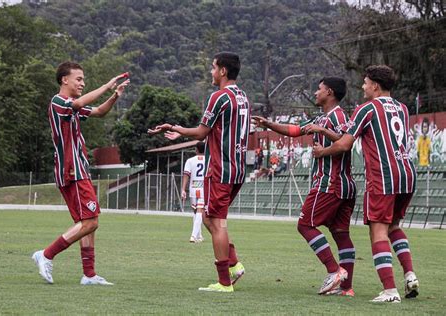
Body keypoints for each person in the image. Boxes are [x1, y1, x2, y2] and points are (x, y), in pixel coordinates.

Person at [313, 65, 418, 303]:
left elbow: (344, 144)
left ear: (375, 86)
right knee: (394, 227)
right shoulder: (402, 108)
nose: (362, 86)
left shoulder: (366, 109)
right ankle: (410, 274)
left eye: (365, 82)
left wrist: (322, 152)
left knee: (378, 231)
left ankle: (390, 291)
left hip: (383, 175)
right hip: (407, 173)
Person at [148, 52, 248, 293]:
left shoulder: (219, 97)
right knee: (207, 218)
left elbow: (201, 133)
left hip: (220, 169)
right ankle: (234, 265)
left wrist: (175, 128)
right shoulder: (242, 96)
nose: (211, 73)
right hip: (237, 169)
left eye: (213, 68)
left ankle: (225, 282)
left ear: (223, 71)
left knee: (216, 222)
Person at [252, 77, 357, 296]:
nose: (315, 93)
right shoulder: (323, 117)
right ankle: (346, 288)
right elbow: (294, 130)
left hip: (330, 182)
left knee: (305, 225)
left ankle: (334, 271)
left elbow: (346, 142)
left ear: (329, 92)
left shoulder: (337, 116)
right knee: (340, 234)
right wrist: (268, 124)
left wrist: (323, 133)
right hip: (345, 185)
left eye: (318, 89)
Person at [32, 61, 130, 285]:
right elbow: (78, 104)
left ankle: (89, 274)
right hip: (71, 170)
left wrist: (115, 95)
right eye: (79, 79)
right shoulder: (59, 102)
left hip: (77, 169)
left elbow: (99, 112)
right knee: (90, 222)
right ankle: (46, 254)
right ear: (64, 80)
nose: (83, 83)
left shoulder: (70, 104)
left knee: (87, 221)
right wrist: (106, 85)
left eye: (84, 80)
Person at [182, 141, 206, 243]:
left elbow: (186, 175)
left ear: (196, 150)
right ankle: (193, 236)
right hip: (204, 188)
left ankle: (199, 236)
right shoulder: (209, 160)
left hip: (193, 187)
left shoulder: (190, 161)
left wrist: (183, 189)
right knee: (200, 211)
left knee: (196, 211)